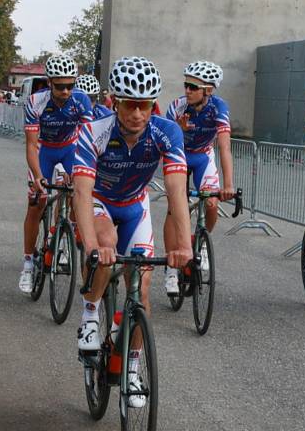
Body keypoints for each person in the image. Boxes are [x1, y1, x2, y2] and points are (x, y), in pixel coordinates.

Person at [73, 57, 192, 407]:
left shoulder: (166, 132)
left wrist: (183, 247)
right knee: (106, 246)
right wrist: (92, 246)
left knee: (141, 291)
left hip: (134, 206)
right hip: (99, 202)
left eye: (144, 105)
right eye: (129, 104)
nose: (137, 114)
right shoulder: (94, 130)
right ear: (115, 101)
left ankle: (132, 367)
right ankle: (91, 313)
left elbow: (176, 191)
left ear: (153, 104)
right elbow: (81, 192)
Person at [19, 55, 93, 294]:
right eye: (60, 86)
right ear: (49, 82)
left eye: (70, 85)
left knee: (77, 192)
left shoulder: (81, 101)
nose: (65, 91)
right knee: (36, 202)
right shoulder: (35, 102)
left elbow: (86, 141)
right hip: (44, 150)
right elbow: (31, 145)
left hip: (71, 148)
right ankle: (28, 263)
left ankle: (62, 236)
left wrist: (77, 173)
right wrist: (38, 176)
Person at [162, 60, 234, 295]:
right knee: (174, 209)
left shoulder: (219, 108)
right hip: (179, 157)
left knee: (212, 203)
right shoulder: (176, 107)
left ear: (208, 90)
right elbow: (162, 142)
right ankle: (171, 269)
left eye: (193, 87)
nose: (187, 91)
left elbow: (224, 148)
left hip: (203, 156)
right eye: (186, 85)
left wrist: (228, 185)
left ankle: (200, 242)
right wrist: (177, 130)